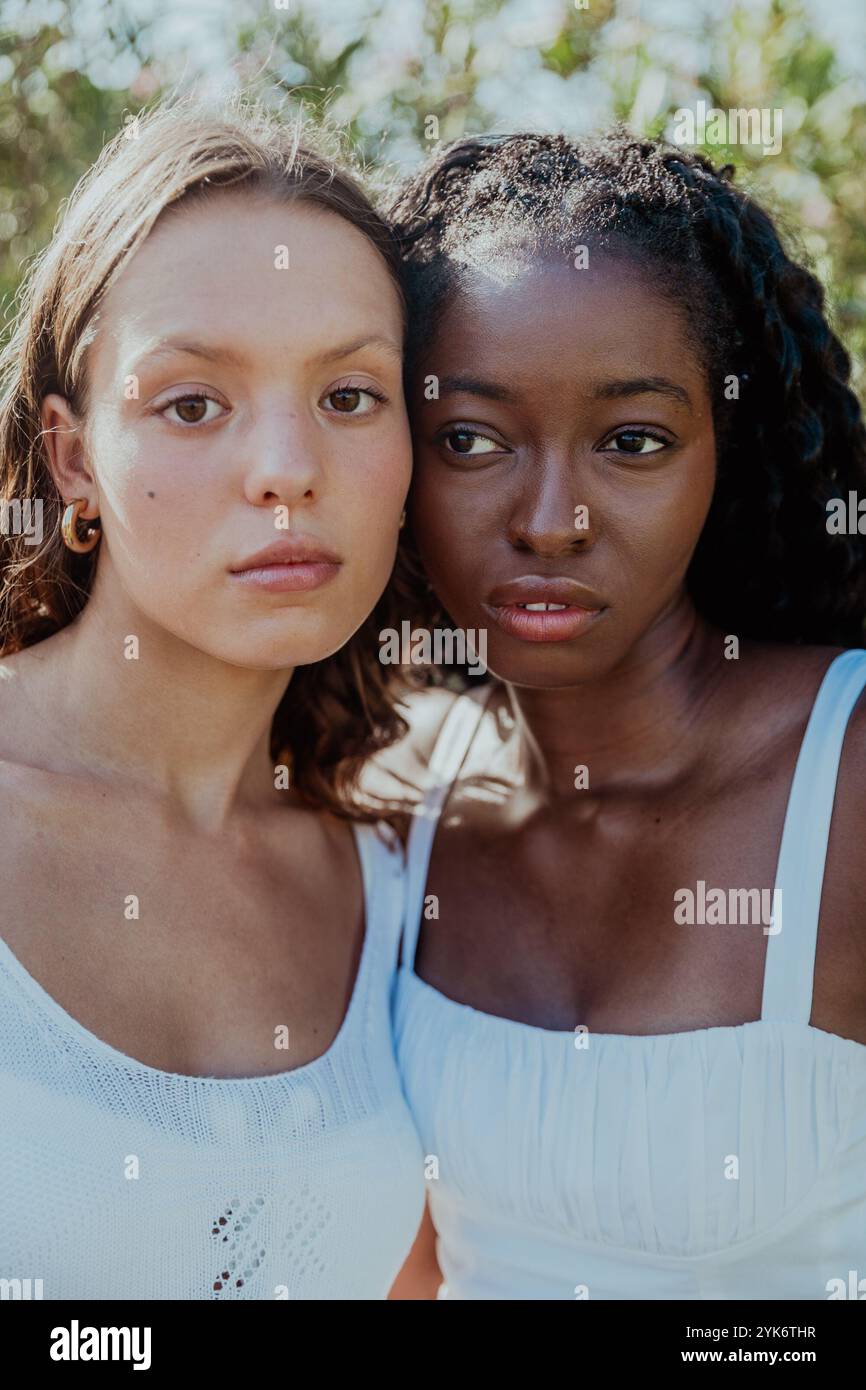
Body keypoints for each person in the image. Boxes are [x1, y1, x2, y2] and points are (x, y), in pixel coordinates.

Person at [383, 131, 866, 1299]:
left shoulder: (843, 782)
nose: (550, 521)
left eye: (632, 440)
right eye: (470, 438)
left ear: (724, 452)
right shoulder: (389, 794)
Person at [0, 94, 425, 1300]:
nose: (288, 469)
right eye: (192, 404)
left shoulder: (393, 878)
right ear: (75, 459)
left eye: (350, 396)